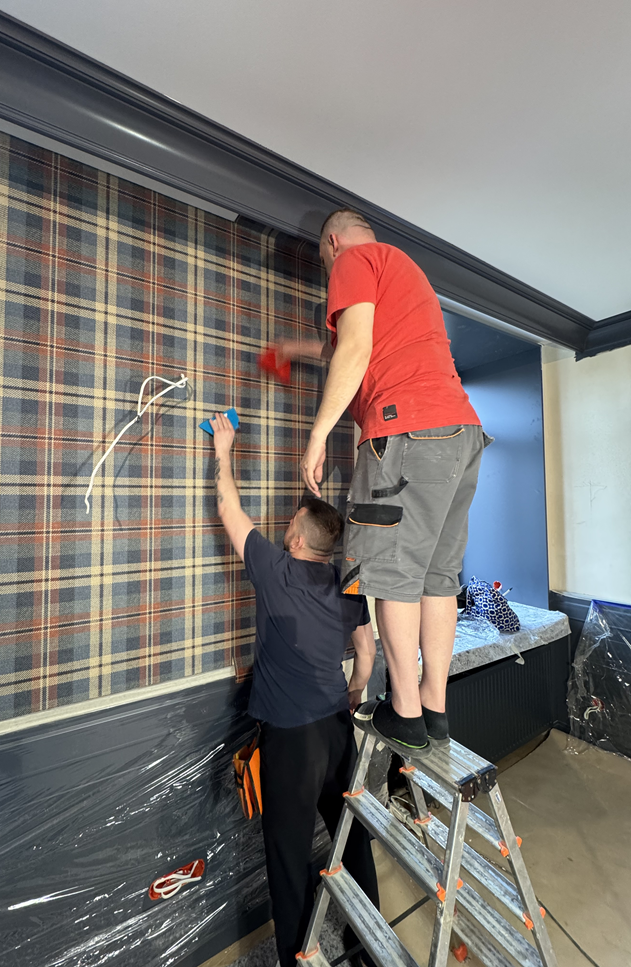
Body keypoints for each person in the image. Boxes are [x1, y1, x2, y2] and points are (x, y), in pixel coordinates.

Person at [276, 209, 490, 754]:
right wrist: (297, 350)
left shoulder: (353, 260)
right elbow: (357, 344)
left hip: (407, 431)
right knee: (437, 576)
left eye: (324, 260)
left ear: (332, 242)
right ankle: (433, 708)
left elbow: (354, 348)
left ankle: (405, 714)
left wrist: (318, 435)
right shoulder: (402, 271)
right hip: (460, 434)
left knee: (393, 575)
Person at [209, 411, 379, 967]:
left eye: (291, 522)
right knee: (352, 840)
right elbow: (367, 653)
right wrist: (354, 692)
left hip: (292, 741)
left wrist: (224, 449)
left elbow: (229, 511)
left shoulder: (277, 571)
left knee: (287, 862)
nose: (284, 525)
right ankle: (367, 949)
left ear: (299, 538)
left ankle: (298, 960)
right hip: (337, 732)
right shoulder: (345, 582)